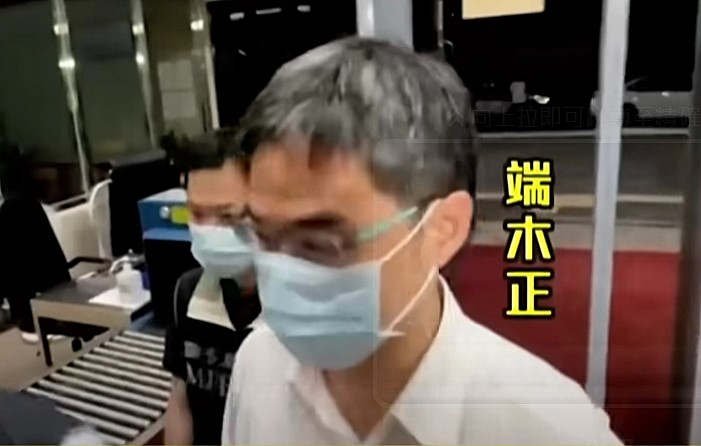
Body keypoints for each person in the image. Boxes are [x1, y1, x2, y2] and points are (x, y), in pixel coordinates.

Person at [222, 37, 622, 445]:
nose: (282, 273)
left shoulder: (550, 432)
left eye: (319, 244)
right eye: (261, 235)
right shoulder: (258, 369)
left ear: (443, 229)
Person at [162, 129, 260, 445]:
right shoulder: (188, 293)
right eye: (197, 213)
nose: (209, 230)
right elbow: (181, 403)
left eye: (228, 216)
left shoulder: (304, 312)